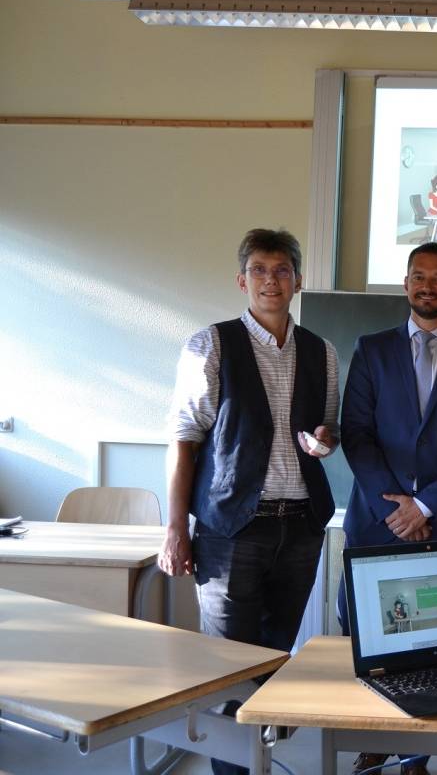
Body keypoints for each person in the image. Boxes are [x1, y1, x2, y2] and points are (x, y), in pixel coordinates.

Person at [158, 228, 338, 775]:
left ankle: (258, 762)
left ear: (298, 281)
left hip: (301, 526)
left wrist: (325, 441)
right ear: (242, 280)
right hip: (232, 531)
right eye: (259, 270)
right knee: (230, 668)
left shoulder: (321, 350)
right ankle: (234, 770)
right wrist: (175, 528)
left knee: (275, 656)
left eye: (281, 270)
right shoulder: (210, 344)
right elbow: (184, 439)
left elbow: (327, 431)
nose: (270, 280)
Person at [339, 241, 437, 775]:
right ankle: (375, 740)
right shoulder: (371, 349)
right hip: (375, 520)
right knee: (371, 640)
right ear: (406, 284)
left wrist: (425, 505)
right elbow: (355, 435)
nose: (427, 286)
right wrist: (397, 508)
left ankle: (417, 756)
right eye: (418, 276)